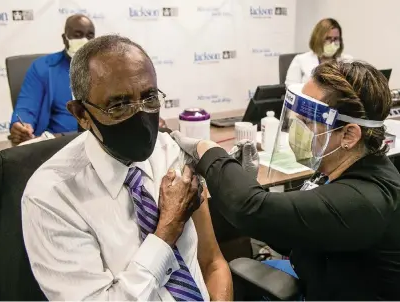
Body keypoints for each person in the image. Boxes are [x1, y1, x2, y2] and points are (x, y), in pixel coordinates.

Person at [21, 34, 232, 301]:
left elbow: (213, 262)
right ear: (81, 114)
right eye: (119, 105)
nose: (141, 115)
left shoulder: (170, 153)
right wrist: (166, 231)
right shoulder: (52, 198)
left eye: (149, 97)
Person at [170, 60, 400, 300]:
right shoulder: (347, 171)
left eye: (308, 121)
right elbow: (295, 230)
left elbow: (249, 208)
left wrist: (208, 151)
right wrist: (250, 187)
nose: (298, 128)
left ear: (349, 135)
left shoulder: (367, 199)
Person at [9, 14, 95, 145]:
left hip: (96, 141)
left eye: (89, 36)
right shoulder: (43, 68)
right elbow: (26, 107)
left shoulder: (103, 69)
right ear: (64, 38)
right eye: (77, 35)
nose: (84, 40)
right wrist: (21, 125)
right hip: (54, 145)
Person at [285, 18, 352, 86]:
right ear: (318, 39)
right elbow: (291, 87)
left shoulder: (348, 61)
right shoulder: (300, 60)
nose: (333, 43)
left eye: (336, 39)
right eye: (328, 38)